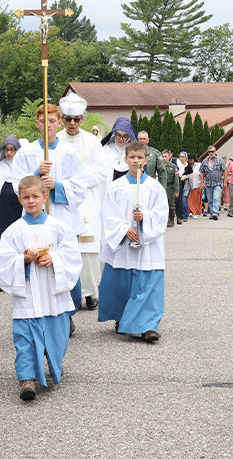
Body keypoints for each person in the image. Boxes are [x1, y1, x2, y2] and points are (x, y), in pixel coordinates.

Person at [0, 175, 82, 401]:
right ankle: (27, 378)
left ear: (45, 197)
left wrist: (53, 258)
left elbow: (71, 254)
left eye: (35, 196)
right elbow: (2, 261)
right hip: (29, 296)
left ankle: (53, 363)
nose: (31, 201)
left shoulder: (59, 227)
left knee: (57, 336)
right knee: (25, 338)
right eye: (26, 197)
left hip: (53, 294)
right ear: (19, 199)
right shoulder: (13, 231)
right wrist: (22, 260)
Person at [11, 103, 86, 335]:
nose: (48, 126)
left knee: (65, 263)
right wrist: (35, 174)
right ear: (37, 124)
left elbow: (81, 186)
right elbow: (16, 183)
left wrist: (57, 186)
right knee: (40, 264)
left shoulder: (70, 153)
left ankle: (68, 313)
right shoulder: (26, 153)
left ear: (59, 123)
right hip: (36, 217)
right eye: (44, 121)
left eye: (53, 121)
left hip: (62, 217)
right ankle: (39, 310)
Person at [98, 141, 168, 342]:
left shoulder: (154, 187)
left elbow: (161, 214)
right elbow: (108, 214)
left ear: (146, 160)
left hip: (148, 245)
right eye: (132, 157)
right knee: (122, 283)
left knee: (148, 285)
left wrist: (144, 217)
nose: (136, 161)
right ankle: (122, 317)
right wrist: (124, 229)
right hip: (124, 244)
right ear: (125, 159)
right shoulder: (116, 187)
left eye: (140, 157)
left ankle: (148, 326)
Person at [58, 93, 108, 311]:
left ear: (83, 119)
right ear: (61, 118)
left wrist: (77, 180)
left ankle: (90, 291)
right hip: (61, 198)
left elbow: (101, 171)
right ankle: (69, 292)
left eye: (76, 119)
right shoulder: (55, 140)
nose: (71, 123)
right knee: (66, 247)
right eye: (67, 119)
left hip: (86, 198)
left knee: (88, 249)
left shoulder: (93, 142)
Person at [0, 136, 23, 290]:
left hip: (18, 206)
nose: (9, 153)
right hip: (3, 208)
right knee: (0, 239)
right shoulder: (0, 167)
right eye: (6, 149)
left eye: (12, 149)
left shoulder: (22, 165)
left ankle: (17, 275)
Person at [101, 117, 137, 182]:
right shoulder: (106, 149)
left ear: (129, 137)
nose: (121, 139)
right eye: (118, 135)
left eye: (125, 136)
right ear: (114, 134)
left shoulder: (133, 151)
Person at [199, 145, 227, 221]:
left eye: (213, 151)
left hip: (217, 183)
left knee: (216, 198)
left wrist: (225, 182)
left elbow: (225, 170)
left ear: (215, 152)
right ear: (207, 152)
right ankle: (212, 213)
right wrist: (202, 183)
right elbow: (201, 172)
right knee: (210, 200)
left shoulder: (219, 160)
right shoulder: (205, 161)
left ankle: (215, 213)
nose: (211, 153)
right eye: (209, 152)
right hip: (208, 183)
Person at [162, 149, 179, 227]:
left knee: (171, 204)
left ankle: (171, 219)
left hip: (170, 187)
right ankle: (164, 220)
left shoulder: (173, 166)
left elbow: (176, 180)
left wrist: (176, 191)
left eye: (165, 156)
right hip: (162, 187)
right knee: (162, 204)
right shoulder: (159, 166)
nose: (164, 158)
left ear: (169, 157)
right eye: (163, 156)